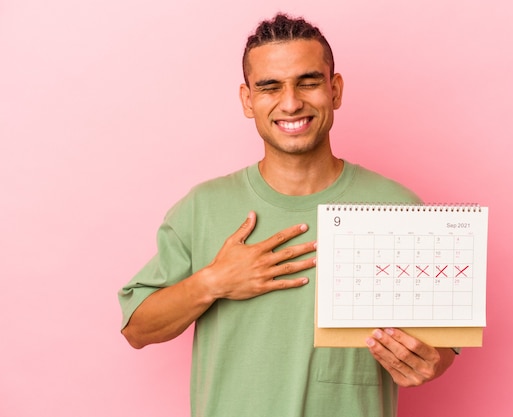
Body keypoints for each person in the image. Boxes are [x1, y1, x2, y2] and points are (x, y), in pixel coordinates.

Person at [118, 13, 456, 417]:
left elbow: (442, 348)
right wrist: (213, 281)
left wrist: (426, 362)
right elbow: (137, 328)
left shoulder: (398, 207)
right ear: (248, 100)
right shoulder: (202, 207)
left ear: (336, 89)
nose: (291, 102)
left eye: (308, 82)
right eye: (270, 87)